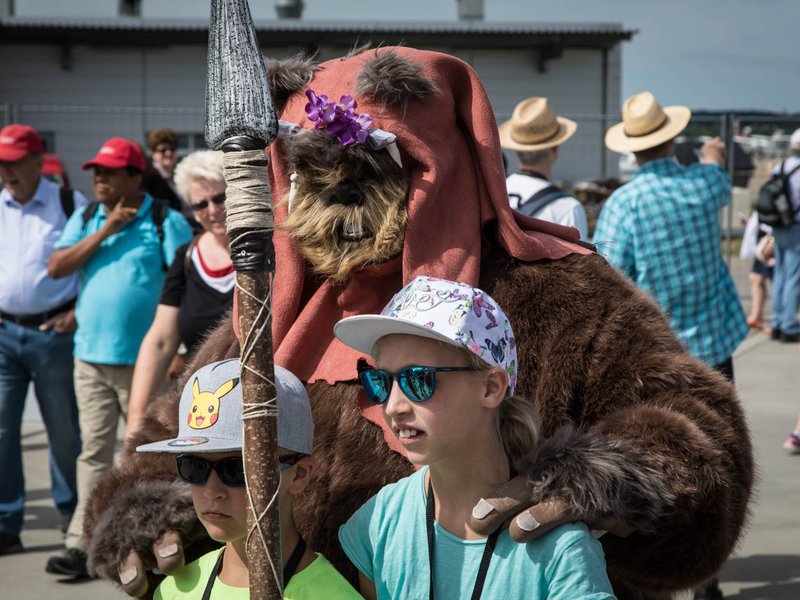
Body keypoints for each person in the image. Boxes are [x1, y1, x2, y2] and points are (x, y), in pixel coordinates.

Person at [335, 276, 615, 599]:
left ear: (491, 387)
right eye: (380, 381)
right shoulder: (378, 526)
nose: (393, 406)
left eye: (419, 379)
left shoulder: (560, 551)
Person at [594, 92, 749, 600]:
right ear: (670, 139)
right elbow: (721, 178)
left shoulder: (624, 204)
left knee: (668, 460)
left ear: (632, 149)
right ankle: (712, 572)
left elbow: (613, 276)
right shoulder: (706, 184)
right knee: (723, 454)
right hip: (716, 336)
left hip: (661, 354)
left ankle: (672, 564)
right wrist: (711, 154)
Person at [44, 137, 192, 577]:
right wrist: (106, 229)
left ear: (135, 176)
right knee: (93, 450)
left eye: (109, 171)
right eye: (95, 171)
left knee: (139, 452)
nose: (98, 179)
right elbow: (57, 267)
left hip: (144, 364)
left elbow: (183, 287)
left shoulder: (166, 221)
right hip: (89, 358)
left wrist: (179, 350)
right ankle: (81, 542)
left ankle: (140, 538)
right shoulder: (87, 217)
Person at [135, 358, 361, 599]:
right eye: (194, 467)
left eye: (238, 469)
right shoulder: (175, 589)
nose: (212, 490)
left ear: (299, 474)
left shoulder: (331, 595)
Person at [0, 124, 86, 555]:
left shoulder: (69, 204)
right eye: (1, 163)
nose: (6, 171)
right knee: (1, 430)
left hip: (52, 334)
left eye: (14, 161)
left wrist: (77, 311)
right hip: (3, 334)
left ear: (38, 161)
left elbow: (95, 264)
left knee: (63, 431)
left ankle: (71, 514)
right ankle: (6, 521)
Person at [125, 150, 234, 443]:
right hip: (201, 409)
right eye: (200, 204)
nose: (213, 210)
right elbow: (161, 339)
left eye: (220, 197)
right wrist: (136, 416)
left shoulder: (269, 252)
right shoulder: (185, 259)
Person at [499, 96, 589, 239]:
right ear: (555, 148)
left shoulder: (496, 195)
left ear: (516, 149)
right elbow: (581, 261)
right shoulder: (567, 208)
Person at [768, 128, 800, 343]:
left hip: (779, 225)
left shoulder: (780, 167)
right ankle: (789, 325)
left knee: (780, 273)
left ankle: (777, 322)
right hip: (796, 225)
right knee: (794, 276)